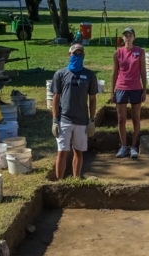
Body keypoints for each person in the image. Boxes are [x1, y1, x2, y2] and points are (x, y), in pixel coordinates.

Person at [51, 43, 98, 180]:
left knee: (78, 152)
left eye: (80, 54)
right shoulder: (60, 74)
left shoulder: (89, 75)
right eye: (74, 53)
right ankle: (60, 182)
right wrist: (55, 120)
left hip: (82, 121)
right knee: (62, 152)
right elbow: (55, 98)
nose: (77, 56)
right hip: (64, 119)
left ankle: (76, 180)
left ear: (83, 56)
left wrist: (92, 120)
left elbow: (93, 99)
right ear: (69, 55)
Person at [110, 27, 146, 158]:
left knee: (136, 118)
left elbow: (143, 72)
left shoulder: (140, 52)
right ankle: (123, 146)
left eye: (130, 35)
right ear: (123, 38)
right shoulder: (117, 53)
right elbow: (114, 73)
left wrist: (144, 90)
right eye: (126, 35)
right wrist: (112, 92)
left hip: (136, 88)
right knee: (121, 119)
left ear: (134, 37)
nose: (128, 37)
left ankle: (133, 147)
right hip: (121, 87)